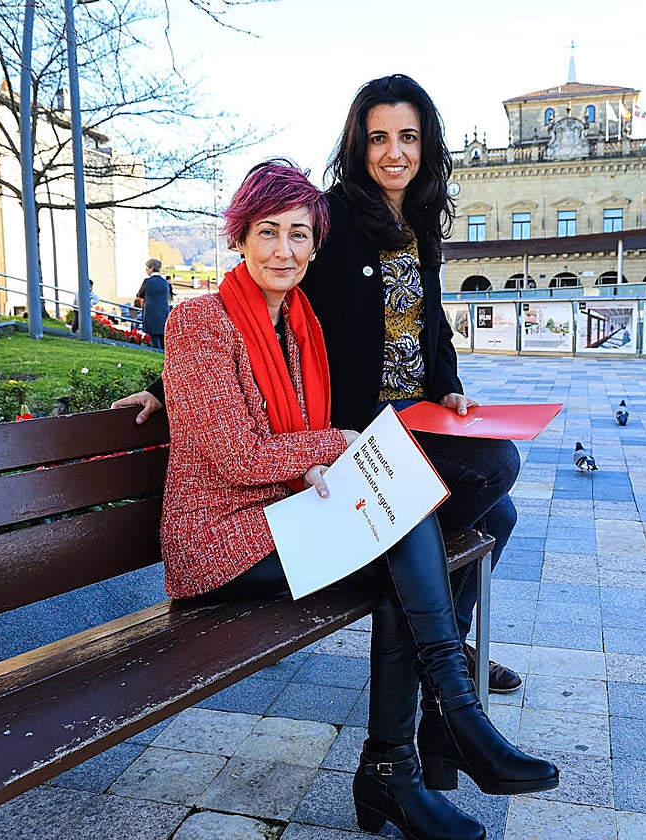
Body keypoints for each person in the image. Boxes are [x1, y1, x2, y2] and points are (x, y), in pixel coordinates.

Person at [158, 159, 557, 840]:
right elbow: (233, 455)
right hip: (216, 542)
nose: (284, 250)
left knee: (405, 520)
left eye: (299, 235)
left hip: (279, 517)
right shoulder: (202, 323)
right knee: (401, 526)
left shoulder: (300, 326)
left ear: (316, 244)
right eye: (267, 233)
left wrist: (330, 453)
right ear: (239, 237)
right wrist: (335, 444)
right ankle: (444, 726)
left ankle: (397, 768)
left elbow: (283, 442)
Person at [116, 74, 525, 699]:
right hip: (355, 424)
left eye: (409, 138)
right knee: (491, 469)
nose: (394, 152)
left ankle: (445, 638)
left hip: (414, 411)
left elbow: (431, 317)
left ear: (427, 145)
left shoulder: (418, 221)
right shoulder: (329, 218)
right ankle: (428, 629)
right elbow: (258, 301)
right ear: (357, 144)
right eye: (378, 137)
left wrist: (449, 387)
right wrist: (168, 385)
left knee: (499, 509)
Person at [135, 258, 172, 350]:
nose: (146, 271)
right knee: (163, 340)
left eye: (147, 268)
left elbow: (140, 294)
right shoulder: (165, 282)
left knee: (155, 340)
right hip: (164, 313)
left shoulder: (148, 282)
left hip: (151, 314)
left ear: (151, 268)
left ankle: (157, 355)